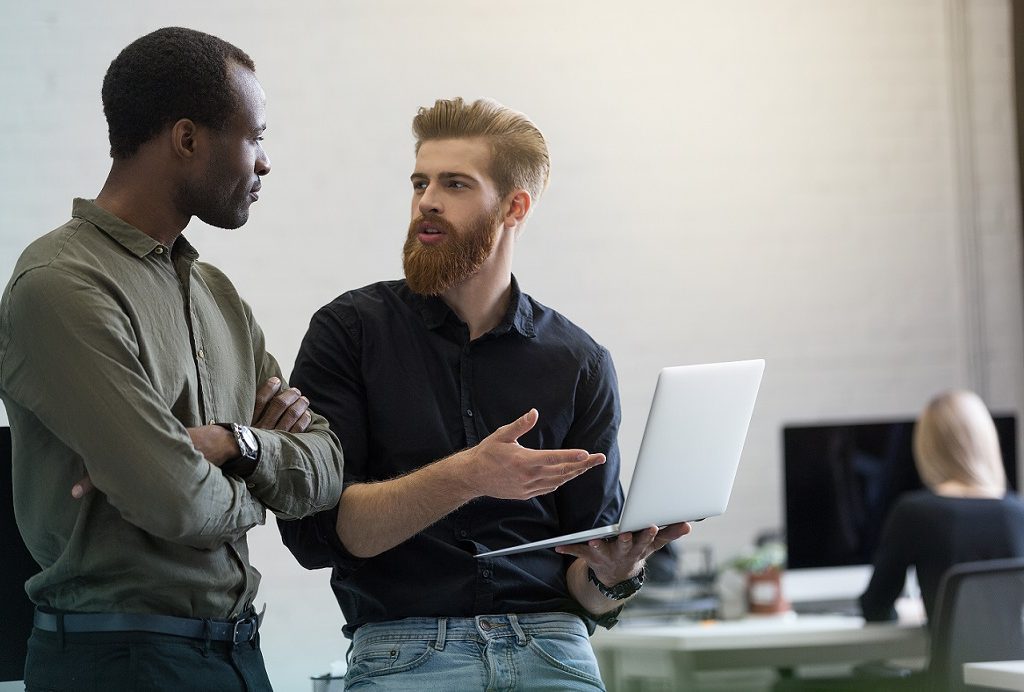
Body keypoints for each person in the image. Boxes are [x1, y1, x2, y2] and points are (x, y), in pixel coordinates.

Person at [278, 97, 689, 690]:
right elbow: (322, 536)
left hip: (552, 647)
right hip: (408, 650)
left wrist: (619, 571)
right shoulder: (351, 332)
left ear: (514, 207)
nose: (428, 201)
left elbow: (591, 592)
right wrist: (470, 474)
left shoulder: (579, 361)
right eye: (420, 181)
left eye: (455, 184)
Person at [0, 27, 344, 691]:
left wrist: (233, 445)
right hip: (121, 663)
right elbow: (175, 501)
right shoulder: (60, 284)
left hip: (240, 656)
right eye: (257, 137)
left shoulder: (218, 297)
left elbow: (326, 468)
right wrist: (261, 478)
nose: (266, 163)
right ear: (187, 139)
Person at [859, 389, 1024, 623]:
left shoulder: (914, 513)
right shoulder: (1017, 512)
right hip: (1012, 660)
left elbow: (874, 608)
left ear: (927, 446)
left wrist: (910, 612)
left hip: (947, 661)